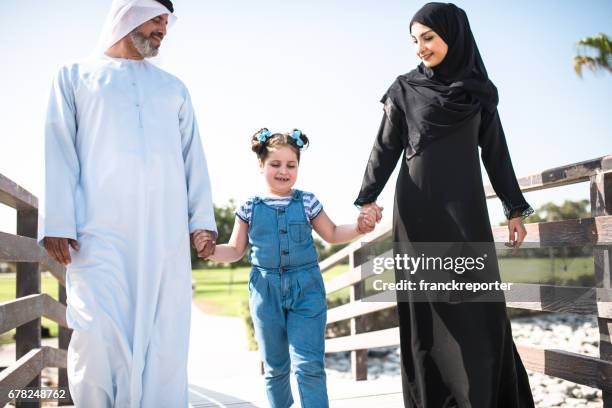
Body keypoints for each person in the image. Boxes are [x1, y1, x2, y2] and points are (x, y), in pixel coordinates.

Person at [354, 3, 536, 407]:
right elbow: (384, 149)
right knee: (428, 316)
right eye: (415, 40)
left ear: (453, 34)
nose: (421, 47)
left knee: (479, 314)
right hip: (417, 214)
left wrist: (515, 208)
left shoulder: (479, 91)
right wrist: (367, 198)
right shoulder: (404, 89)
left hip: (467, 214)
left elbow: (496, 153)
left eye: (429, 37)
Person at [39, 0, 217, 406]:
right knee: (96, 331)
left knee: (165, 334)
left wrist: (201, 220)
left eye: (167, 22)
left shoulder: (173, 88)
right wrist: (58, 222)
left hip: (165, 238)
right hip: (97, 234)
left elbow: (194, 157)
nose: (164, 31)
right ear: (129, 15)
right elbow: (59, 149)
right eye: (157, 19)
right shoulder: (73, 76)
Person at [204, 128, 376, 408]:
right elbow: (235, 250)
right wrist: (211, 251)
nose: (283, 171)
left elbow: (331, 233)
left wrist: (358, 227)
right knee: (275, 368)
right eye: (275, 164)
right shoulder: (248, 207)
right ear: (261, 165)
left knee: (309, 365)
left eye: (291, 165)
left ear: (298, 167)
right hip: (265, 291)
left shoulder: (307, 201)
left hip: (305, 289)